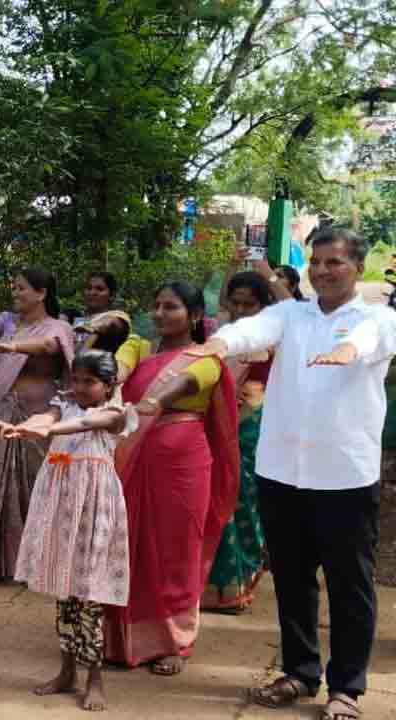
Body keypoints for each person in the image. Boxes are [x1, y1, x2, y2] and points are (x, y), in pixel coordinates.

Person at [194, 228, 393, 720]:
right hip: (282, 471)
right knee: (292, 579)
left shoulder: (378, 317)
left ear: (358, 267)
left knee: (350, 584)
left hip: (344, 475)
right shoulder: (291, 314)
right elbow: (251, 331)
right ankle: (302, 673)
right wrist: (216, 344)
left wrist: (345, 352)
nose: (322, 271)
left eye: (334, 263)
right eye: (316, 262)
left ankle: (346, 687)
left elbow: (365, 342)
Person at [102, 281, 239, 676]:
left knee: (176, 549)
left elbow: (188, 381)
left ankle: (174, 642)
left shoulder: (205, 358)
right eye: (157, 306)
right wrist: (113, 372)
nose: (160, 314)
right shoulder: (139, 348)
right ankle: (119, 637)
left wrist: (156, 401)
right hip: (130, 457)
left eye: (172, 307)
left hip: (183, 467)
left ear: (195, 316)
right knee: (126, 543)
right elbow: (117, 368)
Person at [2, 350, 131, 713]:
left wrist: (43, 428)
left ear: (109, 386)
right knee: (65, 589)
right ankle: (66, 672)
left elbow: (79, 426)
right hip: (60, 500)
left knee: (89, 592)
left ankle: (95, 679)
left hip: (93, 505)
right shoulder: (65, 404)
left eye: (88, 382)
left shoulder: (116, 414)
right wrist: (33, 423)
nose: (79, 387)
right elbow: (50, 414)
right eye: (75, 379)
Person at [0, 268, 75, 581]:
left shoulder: (59, 327)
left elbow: (50, 346)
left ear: (41, 293)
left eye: (22, 288)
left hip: (38, 415)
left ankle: (34, 562)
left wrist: (14, 347)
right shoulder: (5, 321)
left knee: (34, 483)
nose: (15, 293)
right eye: (13, 287)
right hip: (0, 410)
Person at [202, 272, 275, 613]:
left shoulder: (273, 342)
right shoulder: (219, 337)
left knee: (243, 503)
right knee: (212, 502)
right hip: (214, 427)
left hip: (251, 432)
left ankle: (238, 585)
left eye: (251, 304)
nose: (243, 309)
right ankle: (208, 587)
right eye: (237, 302)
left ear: (264, 306)